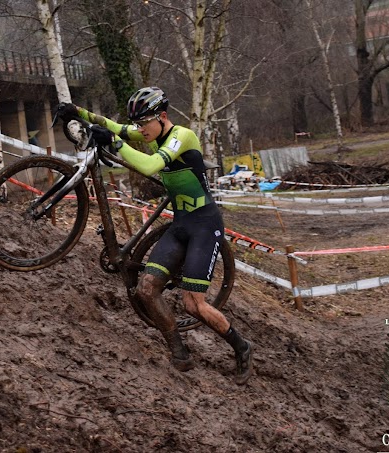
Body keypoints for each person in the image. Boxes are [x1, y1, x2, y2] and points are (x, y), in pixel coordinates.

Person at [57, 87, 254, 385]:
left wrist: (114, 143)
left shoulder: (182, 136)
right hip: (180, 224)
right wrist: (78, 112)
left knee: (194, 304)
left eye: (145, 123)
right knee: (146, 290)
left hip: (204, 224)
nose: (140, 130)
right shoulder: (151, 131)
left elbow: (149, 164)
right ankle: (178, 349)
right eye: (139, 125)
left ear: (162, 117)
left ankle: (241, 346)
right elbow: (117, 128)